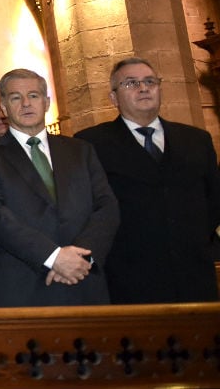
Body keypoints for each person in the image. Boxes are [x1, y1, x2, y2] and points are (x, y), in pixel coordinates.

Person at [75, 57, 220, 304]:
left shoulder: (196, 140)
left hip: (194, 277)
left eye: (150, 82)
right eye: (131, 83)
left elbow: (214, 202)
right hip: (129, 280)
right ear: (113, 98)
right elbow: (87, 210)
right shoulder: (91, 144)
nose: (143, 88)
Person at [0, 69, 119, 307]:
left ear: (46, 102)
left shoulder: (80, 151)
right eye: (15, 98)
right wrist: (53, 257)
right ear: (3, 107)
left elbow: (107, 207)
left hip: (83, 280)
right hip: (24, 287)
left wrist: (81, 257)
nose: (26, 103)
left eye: (34, 96)